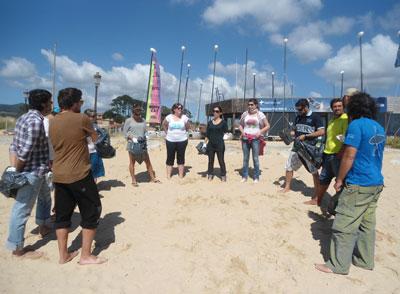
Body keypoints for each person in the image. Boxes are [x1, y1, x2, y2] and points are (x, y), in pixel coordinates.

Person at [315, 92, 385, 275]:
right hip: (376, 182)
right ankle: (364, 260)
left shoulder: (355, 125)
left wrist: (339, 180)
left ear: (353, 108)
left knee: (343, 224)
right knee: (366, 225)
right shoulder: (378, 127)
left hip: (359, 182)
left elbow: (349, 154)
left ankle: (337, 265)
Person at [49, 88, 106, 265]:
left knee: (62, 216)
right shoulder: (81, 118)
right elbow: (95, 138)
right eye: (80, 102)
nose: (81, 105)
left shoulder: (52, 120)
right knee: (92, 212)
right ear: (74, 103)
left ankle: (63, 255)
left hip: (59, 174)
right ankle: (86, 255)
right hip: (79, 173)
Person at [6, 89, 53, 258]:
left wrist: (13, 168)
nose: (51, 105)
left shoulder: (23, 118)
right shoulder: (35, 121)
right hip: (31, 172)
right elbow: (24, 152)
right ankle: (17, 248)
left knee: (45, 198)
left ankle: (43, 225)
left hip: (39, 171)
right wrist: (16, 172)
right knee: (22, 209)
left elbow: (13, 146)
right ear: (43, 104)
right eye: (49, 102)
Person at [304, 98, 348, 205]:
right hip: (327, 154)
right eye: (335, 106)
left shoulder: (345, 119)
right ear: (332, 108)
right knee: (323, 179)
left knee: (340, 182)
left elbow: (346, 139)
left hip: (338, 156)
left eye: (339, 106)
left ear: (343, 107)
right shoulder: (332, 120)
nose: (337, 108)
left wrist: (341, 153)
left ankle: (340, 206)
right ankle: (317, 200)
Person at [280, 98, 325, 194]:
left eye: (300, 109)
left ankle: (317, 193)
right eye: (297, 109)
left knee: (314, 171)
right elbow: (295, 130)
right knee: (289, 167)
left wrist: (306, 136)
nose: (298, 111)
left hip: (309, 149)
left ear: (306, 107)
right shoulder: (298, 117)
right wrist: (290, 134)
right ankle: (287, 187)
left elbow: (321, 131)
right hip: (297, 147)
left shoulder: (315, 117)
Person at [123, 104, 159, 186]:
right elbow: (125, 133)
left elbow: (145, 131)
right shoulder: (129, 120)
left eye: (139, 110)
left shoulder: (143, 120)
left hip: (142, 144)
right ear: (133, 110)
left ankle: (152, 178)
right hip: (132, 144)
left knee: (148, 162)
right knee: (132, 162)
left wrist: (146, 136)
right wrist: (130, 137)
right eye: (137, 110)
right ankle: (133, 180)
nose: (138, 111)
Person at [239, 98, 270, 183]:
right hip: (245, 139)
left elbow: (267, 125)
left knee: (255, 158)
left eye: (252, 104)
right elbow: (240, 126)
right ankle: (244, 176)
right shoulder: (245, 114)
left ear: (256, 105)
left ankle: (256, 177)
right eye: (249, 105)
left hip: (255, 139)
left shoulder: (260, 114)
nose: (250, 106)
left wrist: (260, 132)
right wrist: (243, 132)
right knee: (245, 158)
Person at [162, 102, 190, 179]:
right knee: (170, 157)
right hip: (170, 140)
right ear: (174, 109)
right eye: (178, 108)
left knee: (181, 157)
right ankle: (168, 175)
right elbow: (164, 124)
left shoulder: (184, 117)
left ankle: (180, 176)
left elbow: (188, 127)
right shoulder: (169, 117)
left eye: (181, 108)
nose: (180, 109)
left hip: (182, 140)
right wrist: (167, 132)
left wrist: (184, 133)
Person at [205, 105, 228, 181]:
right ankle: (210, 174)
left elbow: (226, 132)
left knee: (221, 160)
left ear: (220, 113)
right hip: (210, 144)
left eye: (217, 111)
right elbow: (207, 134)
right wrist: (205, 144)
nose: (215, 113)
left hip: (220, 144)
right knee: (210, 161)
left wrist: (225, 136)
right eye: (214, 111)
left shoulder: (223, 122)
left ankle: (223, 175)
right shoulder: (210, 123)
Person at [84, 109, 105, 183]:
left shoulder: (96, 126)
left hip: (95, 151)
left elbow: (104, 134)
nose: (94, 118)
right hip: (84, 152)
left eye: (94, 116)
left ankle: (94, 189)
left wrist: (98, 141)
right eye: (92, 116)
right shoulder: (81, 126)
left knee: (94, 171)